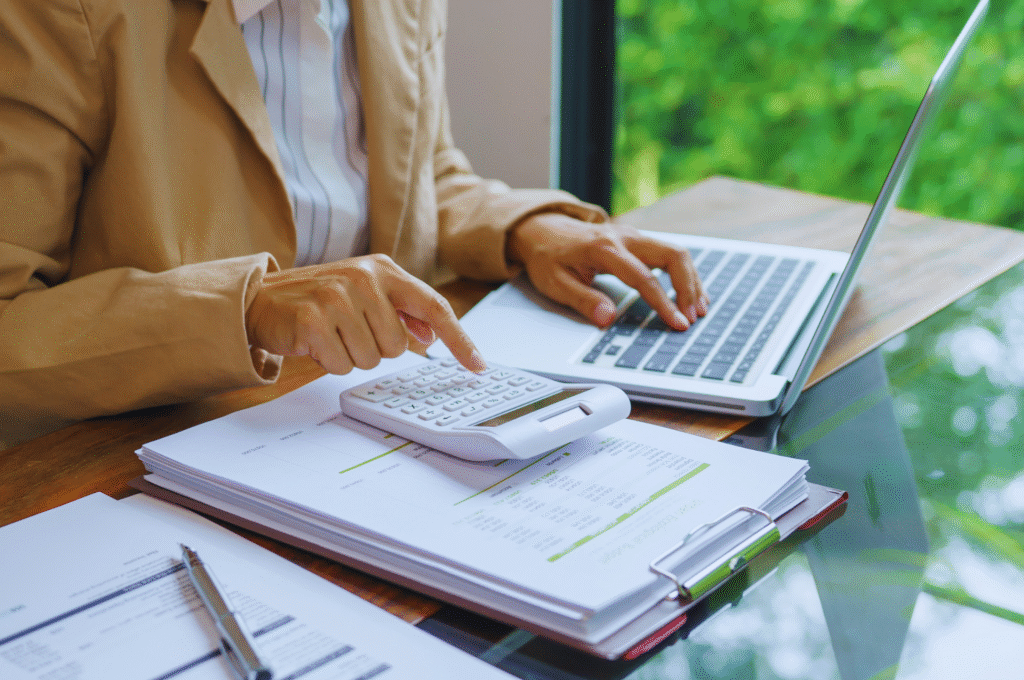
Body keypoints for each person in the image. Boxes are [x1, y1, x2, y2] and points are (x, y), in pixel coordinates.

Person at [0, 0, 706, 449]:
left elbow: (421, 172)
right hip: (156, 451)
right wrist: (244, 310)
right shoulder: (59, 13)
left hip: (366, 424)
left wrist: (526, 228)